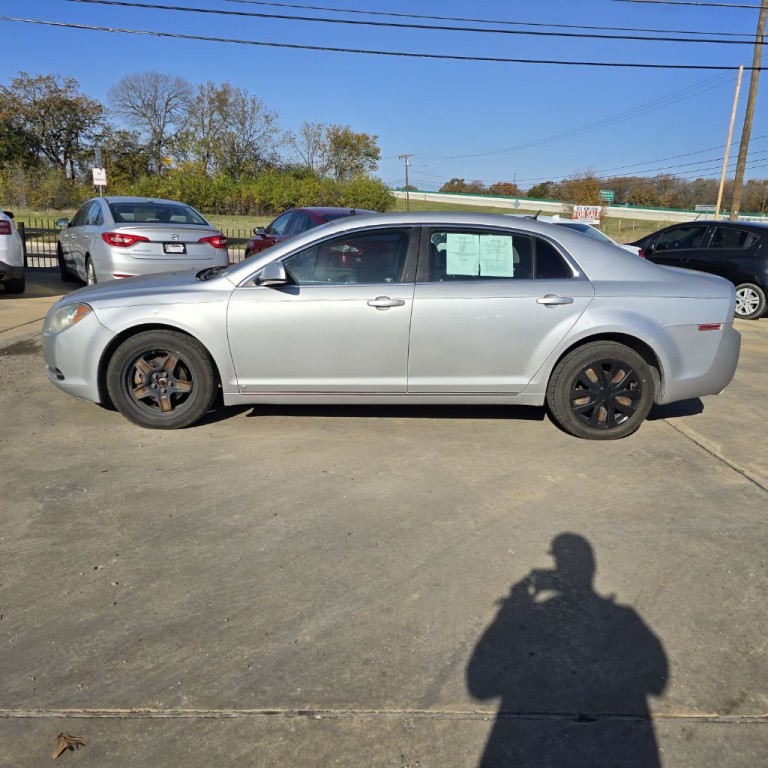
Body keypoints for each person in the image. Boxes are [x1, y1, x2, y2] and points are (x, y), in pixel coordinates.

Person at [467, 533, 668, 767]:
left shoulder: (537, 615)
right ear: (591, 567)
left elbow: (481, 687)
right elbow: (657, 682)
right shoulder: (626, 618)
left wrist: (512, 607)